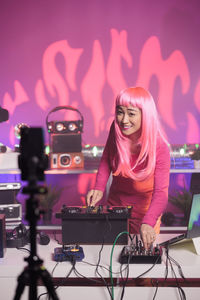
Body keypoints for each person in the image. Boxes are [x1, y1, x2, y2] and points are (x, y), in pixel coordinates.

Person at [86, 87, 170, 249]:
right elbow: (106, 159)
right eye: (120, 112)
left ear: (145, 115)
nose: (124, 120)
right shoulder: (116, 129)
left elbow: (161, 193)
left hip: (145, 213)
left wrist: (148, 222)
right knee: (110, 259)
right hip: (116, 206)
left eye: (131, 113)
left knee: (142, 267)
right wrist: (99, 187)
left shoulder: (160, 147)